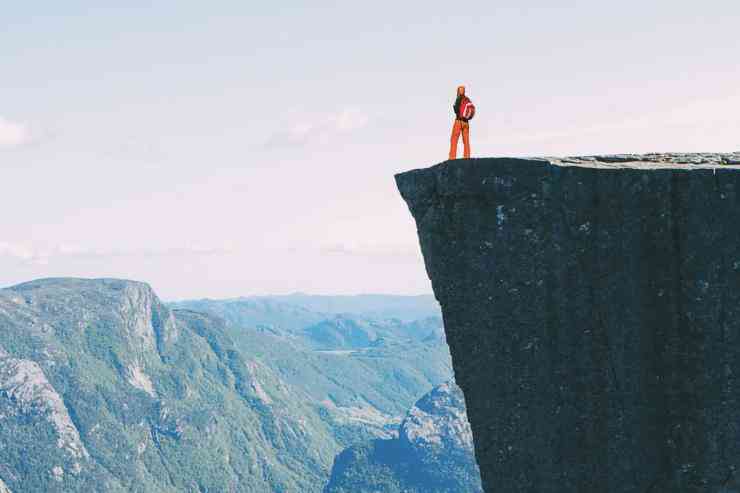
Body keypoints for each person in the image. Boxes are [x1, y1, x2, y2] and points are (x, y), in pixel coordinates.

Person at [449, 85, 472, 160]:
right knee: (466, 141)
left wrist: (454, 107)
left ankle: (452, 158)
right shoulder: (468, 99)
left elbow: (456, 110)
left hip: (459, 121)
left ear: (458, 91)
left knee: (454, 139)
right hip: (466, 123)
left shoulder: (459, 98)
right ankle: (467, 156)